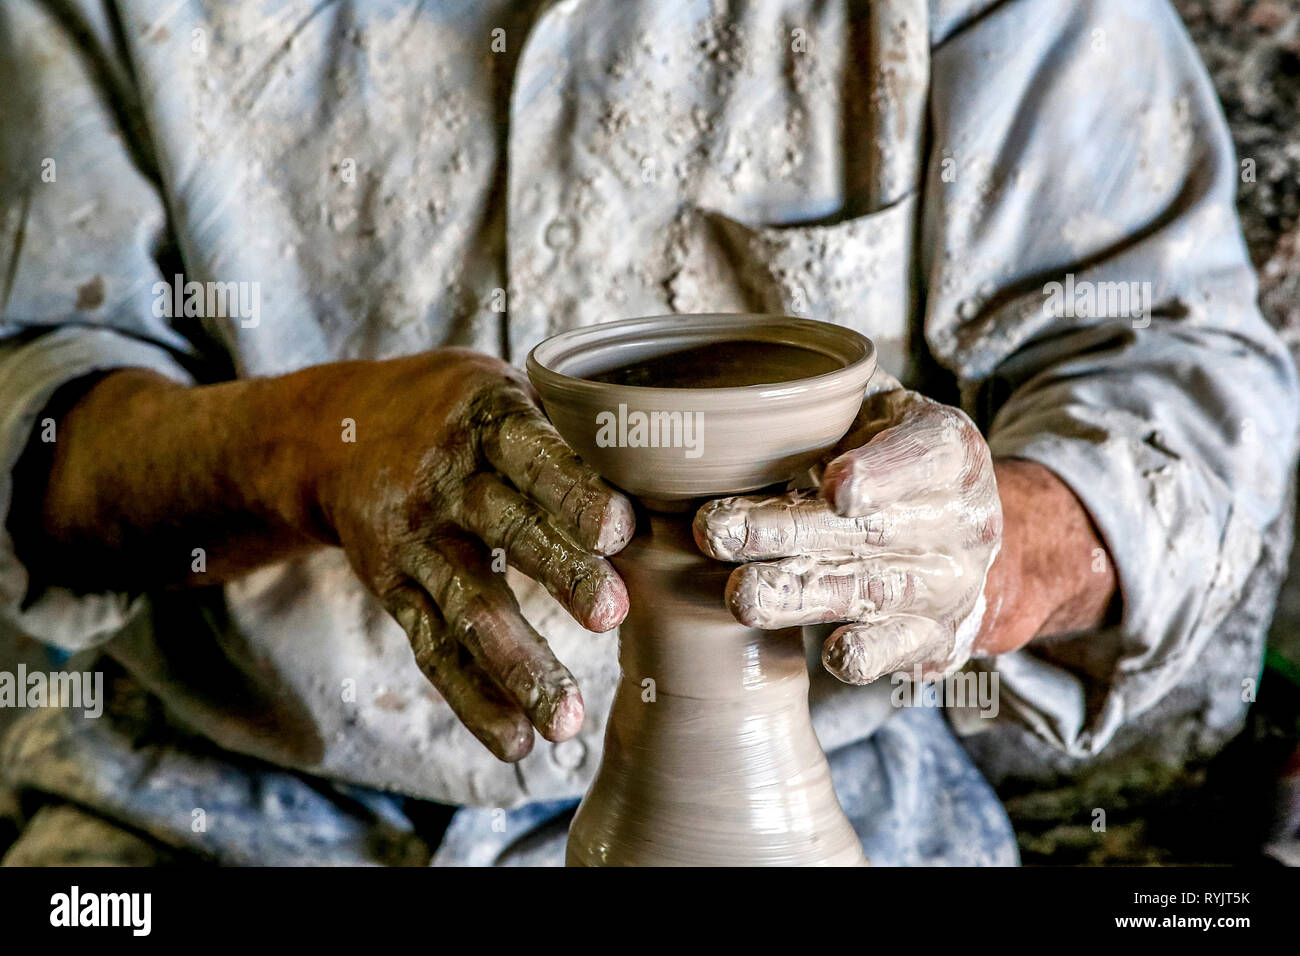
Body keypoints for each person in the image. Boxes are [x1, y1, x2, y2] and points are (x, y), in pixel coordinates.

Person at [0, 0, 1294, 866]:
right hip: (227, 786)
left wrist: (988, 551)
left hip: (832, 795)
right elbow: (38, 424)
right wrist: (305, 447)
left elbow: (1177, 381)